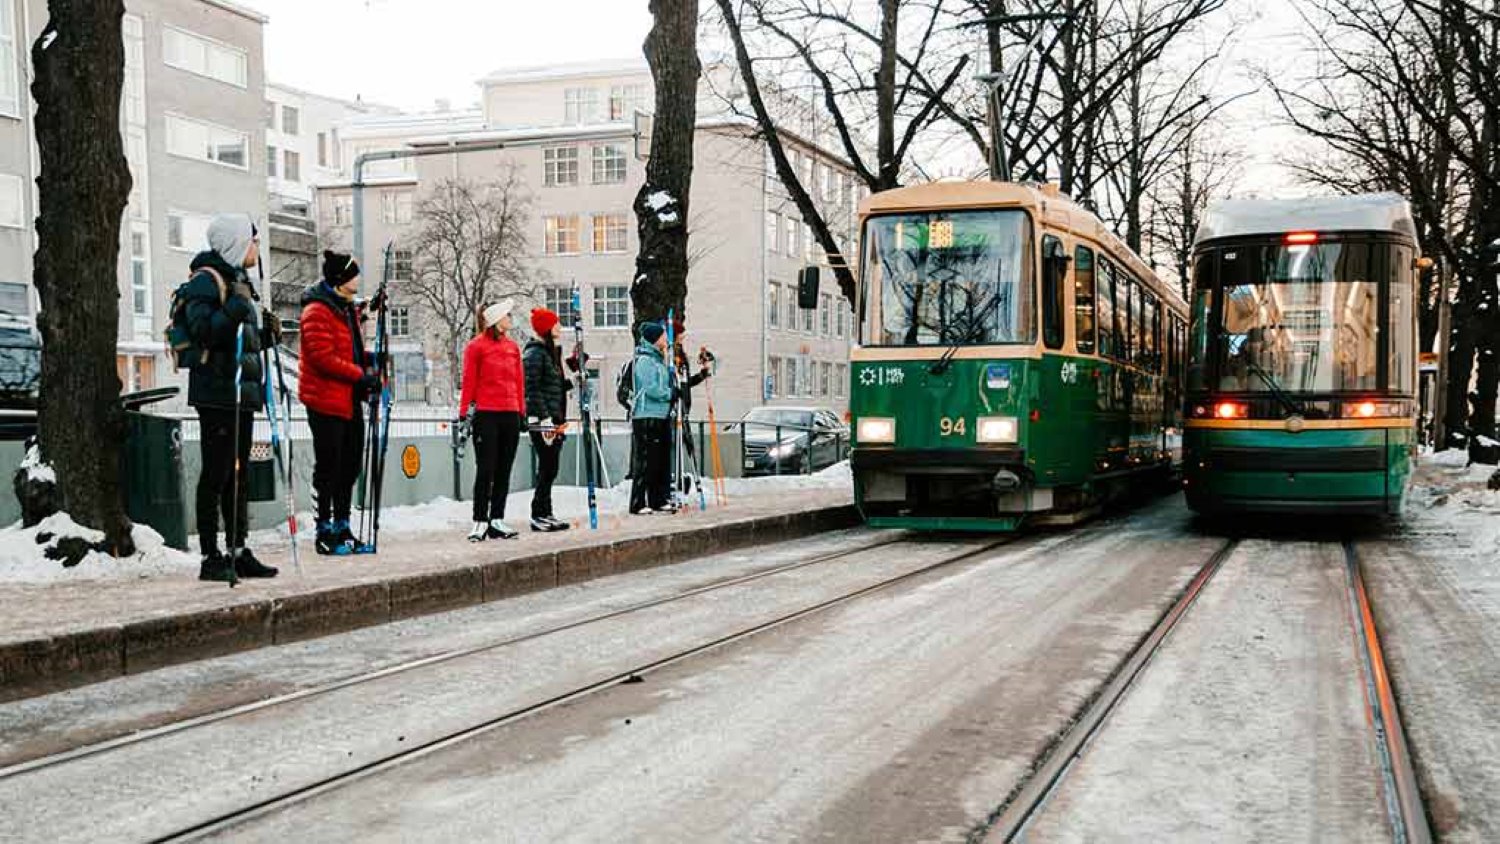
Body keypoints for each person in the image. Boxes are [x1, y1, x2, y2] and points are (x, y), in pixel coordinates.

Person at [182, 214, 279, 582]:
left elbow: (242, 342)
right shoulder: (207, 281)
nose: (257, 247)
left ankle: (238, 549)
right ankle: (210, 555)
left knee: (239, 474)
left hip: (241, 394)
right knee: (217, 473)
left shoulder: (240, 281)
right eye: (253, 240)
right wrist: (235, 312)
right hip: (218, 393)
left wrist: (265, 334)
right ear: (237, 243)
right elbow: (204, 331)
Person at [299, 250, 382, 555]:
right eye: (354, 274)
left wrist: (373, 365)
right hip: (325, 401)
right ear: (341, 278)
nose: (359, 279)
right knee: (329, 466)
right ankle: (323, 529)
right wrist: (360, 375)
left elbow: (353, 352)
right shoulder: (317, 311)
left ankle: (343, 526)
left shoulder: (346, 309)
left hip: (348, 399)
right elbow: (323, 358)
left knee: (349, 466)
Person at [459, 300, 525, 541]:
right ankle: (479, 519)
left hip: (510, 413)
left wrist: (521, 411)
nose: (510, 319)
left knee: (504, 469)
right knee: (485, 469)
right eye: (507, 315)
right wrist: (464, 413)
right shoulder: (476, 347)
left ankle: (497, 518)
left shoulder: (512, 347)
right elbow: (469, 381)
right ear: (496, 321)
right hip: (486, 414)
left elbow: (518, 381)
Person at [522, 308, 574, 532]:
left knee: (551, 467)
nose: (560, 327)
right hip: (543, 421)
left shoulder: (550, 353)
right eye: (556, 323)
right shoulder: (535, 354)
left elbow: (552, 387)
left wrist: (572, 378)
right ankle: (538, 513)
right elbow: (532, 390)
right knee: (546, 466)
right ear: (546, 328)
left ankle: (546, 511)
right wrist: (544, 419)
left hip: (554, 418)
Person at [629, 321, 675, 515]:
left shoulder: (659, 360)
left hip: (661, 414)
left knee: (660, 459)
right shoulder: (645, 361)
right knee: (646, 460)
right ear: (654, 339)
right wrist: (669, 393)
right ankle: (638, 501)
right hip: (647, 415)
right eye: (663, 336)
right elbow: (651, 388)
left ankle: (658, 498)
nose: (666, 339)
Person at [670, 318, 713, 493]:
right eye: (680, 335)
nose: (683, 338)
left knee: (686, 443)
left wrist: (702, 375)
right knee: (675, 444)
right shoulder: (671, 355)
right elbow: (676, 382)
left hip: (685, 406)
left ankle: (684, 477)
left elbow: (686, 382)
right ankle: (674, 478)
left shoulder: (682, 354)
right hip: (675, 407)